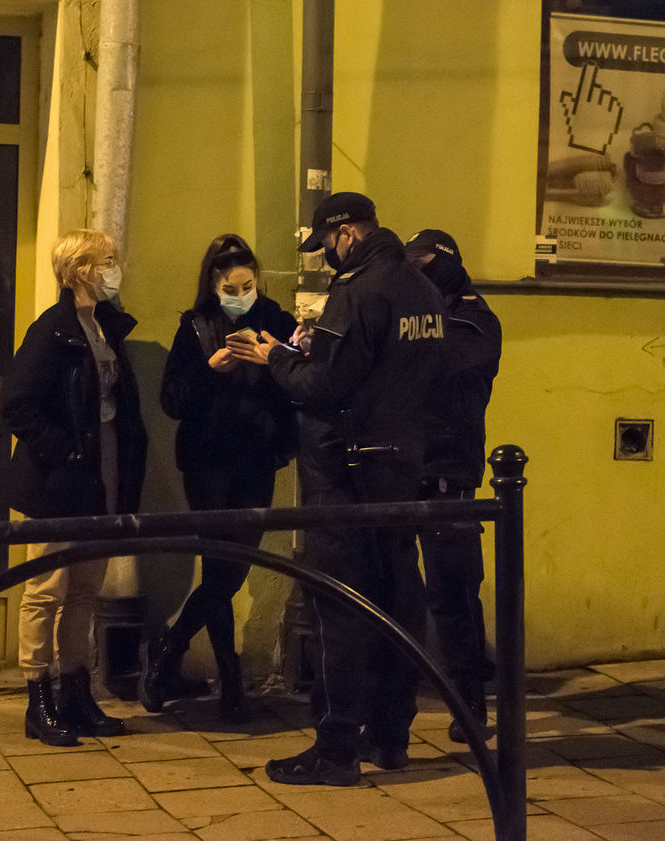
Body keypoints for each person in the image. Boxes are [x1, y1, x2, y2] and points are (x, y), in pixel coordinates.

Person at [226, 192, 446, 785]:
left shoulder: (358, 291)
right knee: (398, 601)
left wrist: (275, 356)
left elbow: (324, 385)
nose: (325, 254)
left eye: (325, 243)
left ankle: (336, 747)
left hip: (344, 473)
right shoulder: (423, 290)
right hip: (399, 468)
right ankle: (391, 736)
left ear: (346, 232)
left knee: (340, 608)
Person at [140, 234, 299, 722]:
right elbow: (173, 401)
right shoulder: (195, 327)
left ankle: (170, 647)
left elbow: (299, 385)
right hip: (208, 465)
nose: (242, 294)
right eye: (232, 286)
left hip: (254, 462)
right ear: (214, 283)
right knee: (218, 568)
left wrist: (271, 358)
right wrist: (212, 369)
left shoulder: (274, 321)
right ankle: (230, 683)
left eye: (249, 284)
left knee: (234, 569)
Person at [1, 229, 148, 746]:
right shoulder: (54, 330)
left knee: (85, 589)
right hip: (56, 482)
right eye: (106, 260)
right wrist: (63, 449)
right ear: (80, 269)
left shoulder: (105, 326)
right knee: (44, 590)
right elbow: (17, 403)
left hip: (100, 477)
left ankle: (77, 693)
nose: (114, 268)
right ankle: (37, 699)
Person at [405, 229, 502, 743]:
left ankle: (469, 700)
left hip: (448, 473)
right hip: (405, 469)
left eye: (420, 262)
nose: (413, 270)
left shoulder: (474, 320)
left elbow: (436, 364)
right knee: (403, 590)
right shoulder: (425, 313)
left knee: (453, 593)